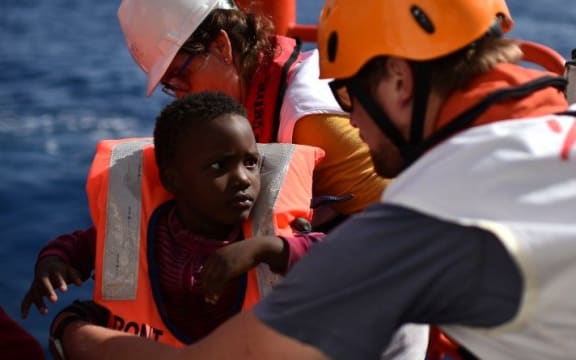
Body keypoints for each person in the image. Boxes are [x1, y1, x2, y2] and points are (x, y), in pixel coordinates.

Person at [39, 0, 576, 359]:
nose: (351, 122)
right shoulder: (554, 127)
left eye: (347, 94)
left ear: (399, 79)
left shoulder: (426, 215)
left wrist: (75, 330)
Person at [20, 92, 327, 349]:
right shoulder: (136, 230)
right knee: (69, 324)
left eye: (250, 163)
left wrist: (264, 248)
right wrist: (54, 262)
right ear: (172, 180)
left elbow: (334, 254)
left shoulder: (271, 238)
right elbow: (80, 244)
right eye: (220, 166)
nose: (243, 179)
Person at [117, 0, 388, 230]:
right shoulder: (260, 92)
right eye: (170, 85)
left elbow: (405, 225)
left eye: (181, 76)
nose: (180, 95)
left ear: (221, 46)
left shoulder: (310, 120)